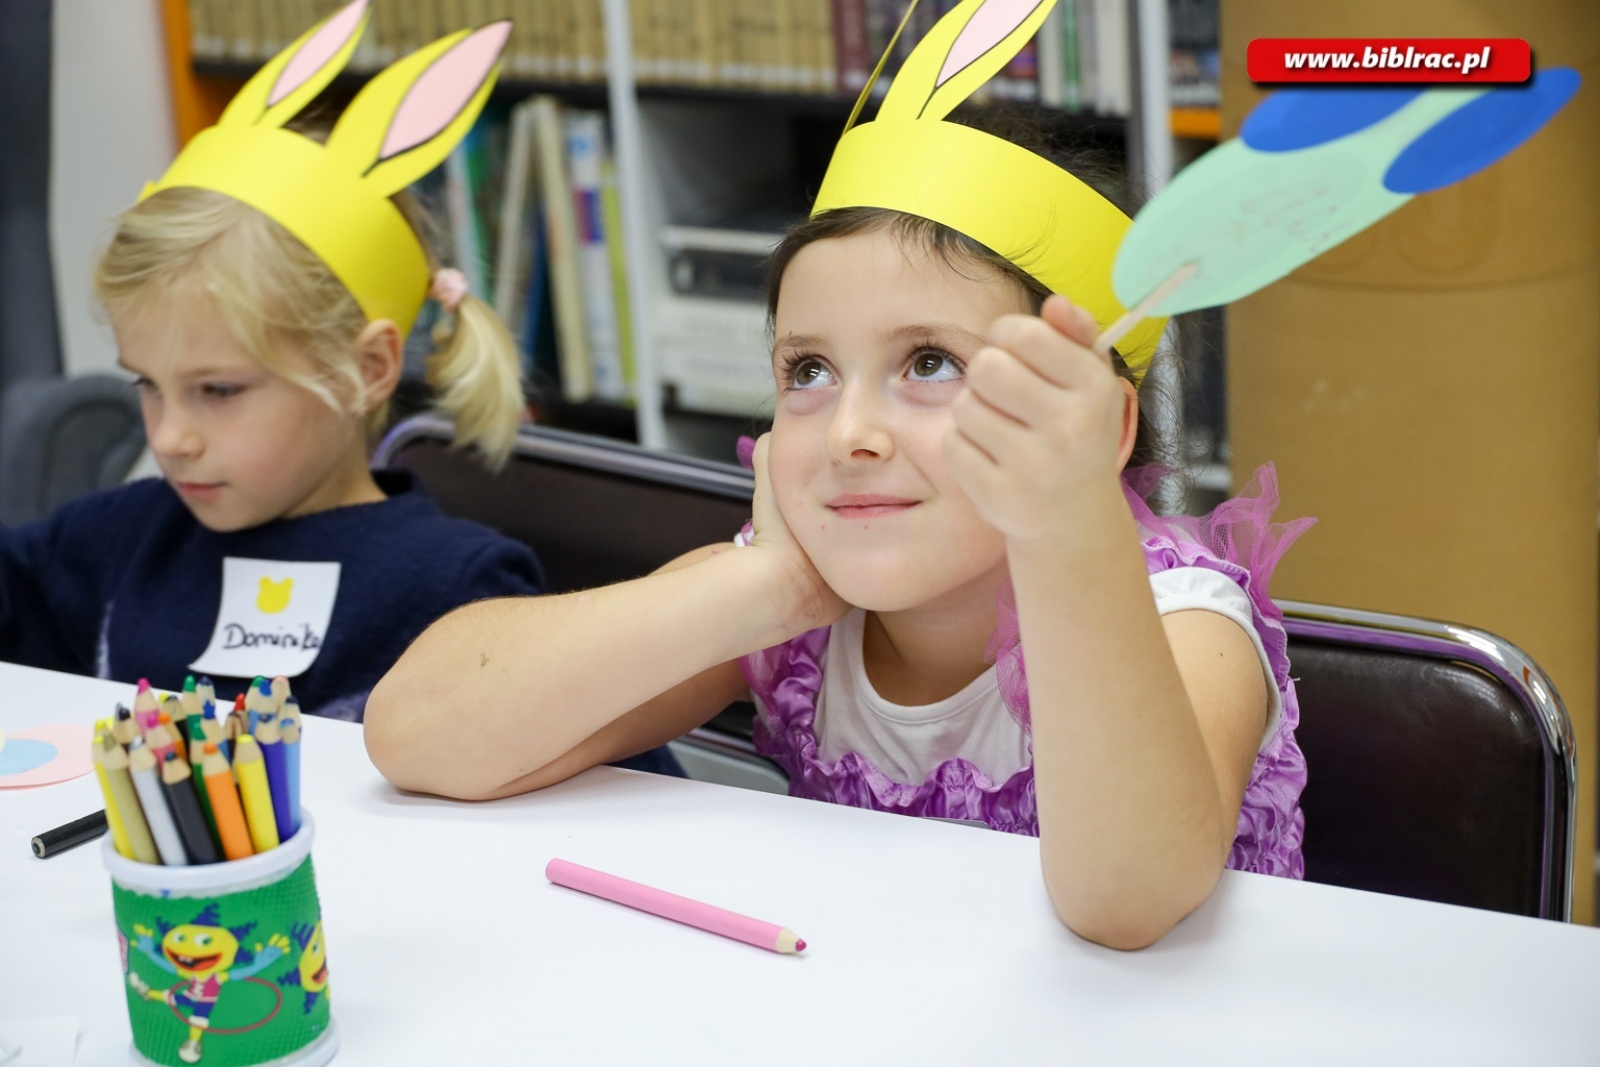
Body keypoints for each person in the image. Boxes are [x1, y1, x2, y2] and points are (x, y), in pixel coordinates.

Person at [365, 0, 1312, 946]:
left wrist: (1067, 532)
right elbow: (418, 734)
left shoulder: (1185, 621)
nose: (852, 430)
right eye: (808, 371)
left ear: (1099, 428)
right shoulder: (794, 604)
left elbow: (1126, 903)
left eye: (929, 362)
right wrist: (764, 588)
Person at [0, 6, 543, 724]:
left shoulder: (460, 586)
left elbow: (628, 796)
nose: (169, 438)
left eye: (218, 390)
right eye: (148, 386)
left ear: (369, 368)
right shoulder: (118, 538)